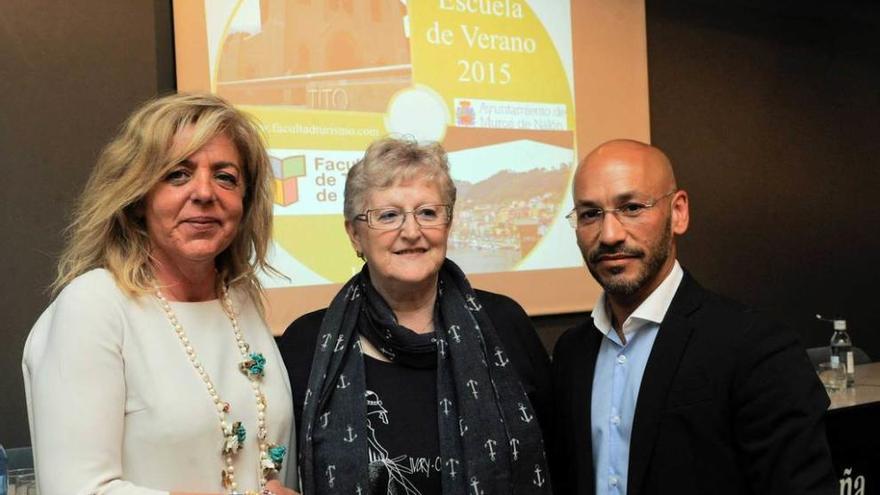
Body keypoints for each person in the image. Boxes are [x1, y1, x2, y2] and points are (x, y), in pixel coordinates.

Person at [22, 93, 298, 495]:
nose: (205, 193)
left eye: (225, 177)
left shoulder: (240, 301)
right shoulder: (94, 306)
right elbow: (75, 489)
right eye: (177, 174)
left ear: (244, 201)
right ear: (137, 199)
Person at [550, 139, 835, 494]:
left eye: (632, 207)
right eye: (590, 214)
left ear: (679, 213)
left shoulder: (756, 349)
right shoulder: (571, 354)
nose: (609, 235)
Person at [276, 137, 553, 495]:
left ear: (448, 223)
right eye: (388, 215)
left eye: (427, 212)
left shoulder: (504, 324)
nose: (411, 231)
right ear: (355, 235)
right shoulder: (307, 343)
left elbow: (556, 453)